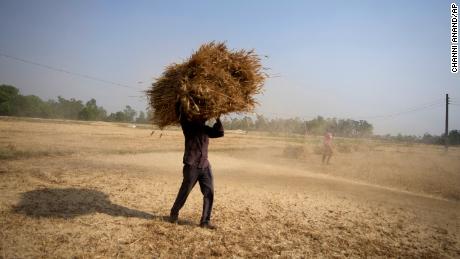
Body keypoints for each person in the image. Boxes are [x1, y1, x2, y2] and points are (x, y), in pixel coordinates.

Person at [169, 106, 224, 229]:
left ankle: (205, 221)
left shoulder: (205, 129)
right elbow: (180, 113)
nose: (204, 117)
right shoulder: (188, 126)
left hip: (205, 165)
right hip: (192, 165)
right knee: (185, 191)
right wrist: (181, 101)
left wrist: (218, 118)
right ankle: (174, 213)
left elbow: (220, 133)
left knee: (209, 192)